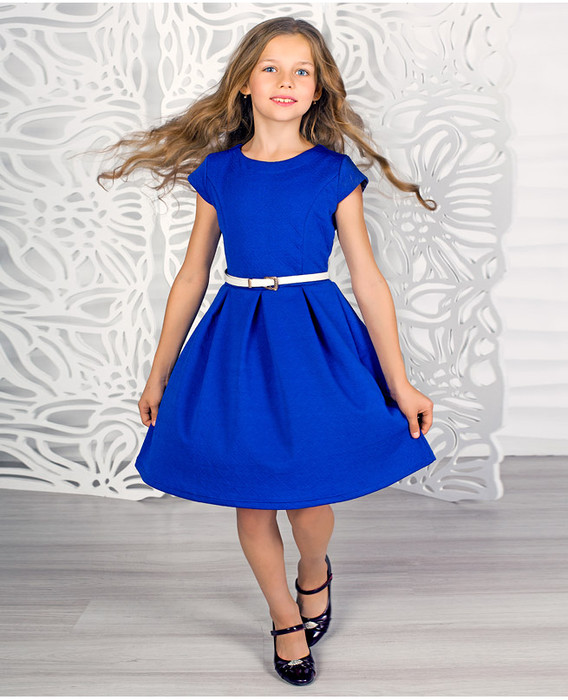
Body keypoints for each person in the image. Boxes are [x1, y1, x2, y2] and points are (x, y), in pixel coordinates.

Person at [96, 16, 437, 687]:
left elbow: (368, 281)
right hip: (238, 346)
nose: (286, 80)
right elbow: (192, 276)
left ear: (319, 89)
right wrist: (158, 374)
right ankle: (284, 617)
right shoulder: (219, 173)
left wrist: (400, 383)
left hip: (314, 345)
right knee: (252, 500)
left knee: (309, 502)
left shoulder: (333, 173)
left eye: (301, 70)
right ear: (244, 84)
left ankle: (313, 571)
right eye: (271, 68)